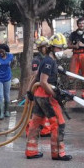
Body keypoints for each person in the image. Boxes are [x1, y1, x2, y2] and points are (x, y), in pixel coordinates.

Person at [24, 33, 72, 161]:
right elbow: (43, 81)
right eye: (59, 48)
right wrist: (55, 94)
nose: (61, 51)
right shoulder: (49, 61)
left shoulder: (48, 60)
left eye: (62, 48)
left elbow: (35, 77)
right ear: (52, 47)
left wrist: (29, 91)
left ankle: (31, 151)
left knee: (36, 124)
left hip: (39, 95)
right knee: (59, 124)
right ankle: (57, 154)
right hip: (46, 96)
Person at [27, 36, 52, 137]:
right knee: (35, 113)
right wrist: (29, 91)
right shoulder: (37, 60)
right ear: (40, 48)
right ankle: (30, 131)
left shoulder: (48, 59)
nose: (47, 48)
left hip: (45, 87)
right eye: (45, 46)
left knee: (44, 111)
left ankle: (45, 130)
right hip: (37, 89)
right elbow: (35, 76)